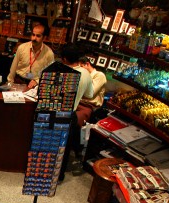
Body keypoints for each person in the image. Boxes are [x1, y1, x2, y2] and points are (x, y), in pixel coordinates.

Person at [58, 44, 94, 180]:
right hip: (70, 114)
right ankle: (59, 175)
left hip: (55, 112)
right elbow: (90, 95)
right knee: (64, 148)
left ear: (65, 59)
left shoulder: (61, 71)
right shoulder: (85, 73)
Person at [6, 23, 55, 89]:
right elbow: (13, 67)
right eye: (33, 35)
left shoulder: (49, 53)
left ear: (44, 38)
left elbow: (50, 75)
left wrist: (37, 81)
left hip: (34, 85)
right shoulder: (22, 47)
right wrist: (9, 82)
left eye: (38, 36)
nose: (34, 38)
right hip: (18, 81)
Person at [76, 56, 107, 127]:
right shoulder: (81, 75)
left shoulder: (99, 75)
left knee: (76, 119)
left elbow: (90, 94)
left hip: (89, 106)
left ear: (87, 64)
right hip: (77, 102)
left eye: (80, 67)